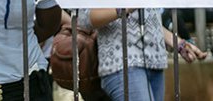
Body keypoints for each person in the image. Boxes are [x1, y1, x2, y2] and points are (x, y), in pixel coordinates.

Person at [78, 8, 206, 100]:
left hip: (155, 64)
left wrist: (179, 43)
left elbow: (150, 21)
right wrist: (124, 8)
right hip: (122, 64)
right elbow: (84, 19)